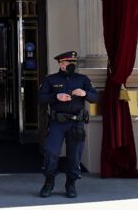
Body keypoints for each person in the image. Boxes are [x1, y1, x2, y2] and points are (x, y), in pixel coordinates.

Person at [37, 50, 98, 198]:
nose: (70, 65)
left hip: (76, 123)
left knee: (75, 156)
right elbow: (40, 98)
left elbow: (95, 98)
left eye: (72, 62)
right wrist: (56, 96)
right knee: (51, 152)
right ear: (60, 64)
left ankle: (71, 183)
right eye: (67, 62)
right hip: (57, 122)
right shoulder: (50, 79)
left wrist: (85, 93)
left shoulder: (83, 79)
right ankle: (49, 181)